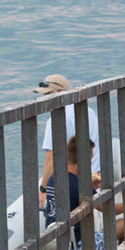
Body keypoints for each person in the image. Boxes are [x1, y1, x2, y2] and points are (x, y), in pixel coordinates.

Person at [35, 75, 100, 207]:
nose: (44, 99)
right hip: (94, 176)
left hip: (73, 181)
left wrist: (43, 189)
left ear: (62, 92)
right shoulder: (88, 111)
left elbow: (51, 159)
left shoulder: (56, 120)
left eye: (48, 94)